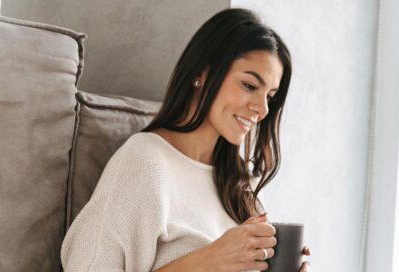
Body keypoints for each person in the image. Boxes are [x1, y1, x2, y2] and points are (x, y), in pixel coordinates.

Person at [60, 8, 312, 272]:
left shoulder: (239, 184)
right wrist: (210, 260)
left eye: (270, 97)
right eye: (249, 86)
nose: (262, 109)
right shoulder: (144, 162)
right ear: (201, 74)